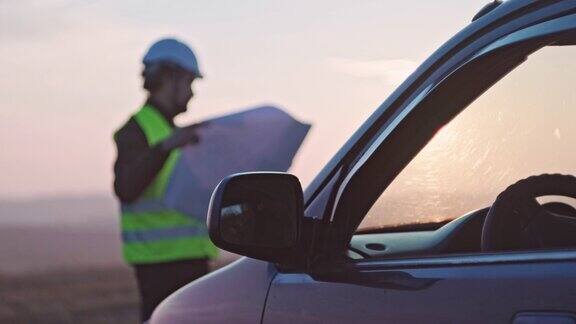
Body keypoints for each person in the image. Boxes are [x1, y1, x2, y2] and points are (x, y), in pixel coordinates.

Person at [113, 38, 218, 322]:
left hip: (189, 261)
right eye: (188, 83)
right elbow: (126, 187)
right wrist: (166, 147)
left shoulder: (171, 132)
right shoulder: (136, 131)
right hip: (159, 267)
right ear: (168, 78)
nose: (192, 93)